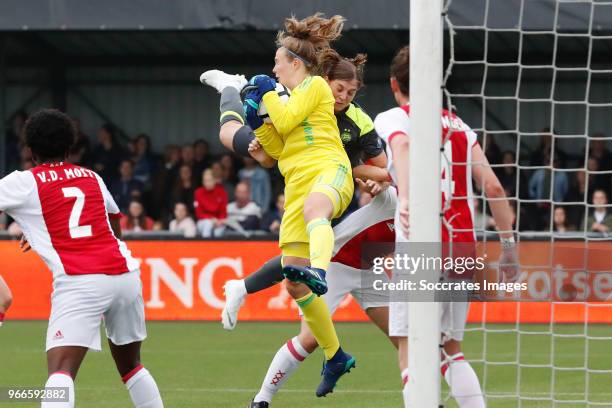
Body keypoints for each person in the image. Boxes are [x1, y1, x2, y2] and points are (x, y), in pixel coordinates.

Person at [375, 46, 516, 407]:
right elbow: (494, 187)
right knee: (450, 349)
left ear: (395, 83)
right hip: (461, 249)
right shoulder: (460, 126)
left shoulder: (394, 117)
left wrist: (404, 196)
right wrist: (509, 247)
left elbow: (402, 148)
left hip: (421, 246)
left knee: (410, 347)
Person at [0, 109, 163, 407]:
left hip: (80, 280)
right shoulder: (91, 177)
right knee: (132, 367)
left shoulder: (23, 182)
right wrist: (38, 227)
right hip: (124, 274)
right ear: (70, 145)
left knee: (61, 372)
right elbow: (113, 222)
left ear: (30, 150)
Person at [243, 13, 357, 398]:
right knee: (293, 281)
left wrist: (268, 96)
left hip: (329, 170)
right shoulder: (287, 97)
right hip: (297, 188)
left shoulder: (314, 87)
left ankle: (321, 272)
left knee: (316, 213)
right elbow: (277, 151)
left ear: (294, 63)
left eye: (277, 62)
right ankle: (335, 354)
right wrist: (256, 122)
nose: (273, 67)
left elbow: (288, 118)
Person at [194, 169, 228, 238]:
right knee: (208, 224)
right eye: (205, 181)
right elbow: (199, 213)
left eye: (210, 180)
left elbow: (223, 211)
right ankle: (206, 247)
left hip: (219, 221)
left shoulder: (221, 192)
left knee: (218, 232)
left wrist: (219, 221)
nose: (207, 183)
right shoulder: (198, 193)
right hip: (203, 222)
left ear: (214, 180)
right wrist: (211, 219)